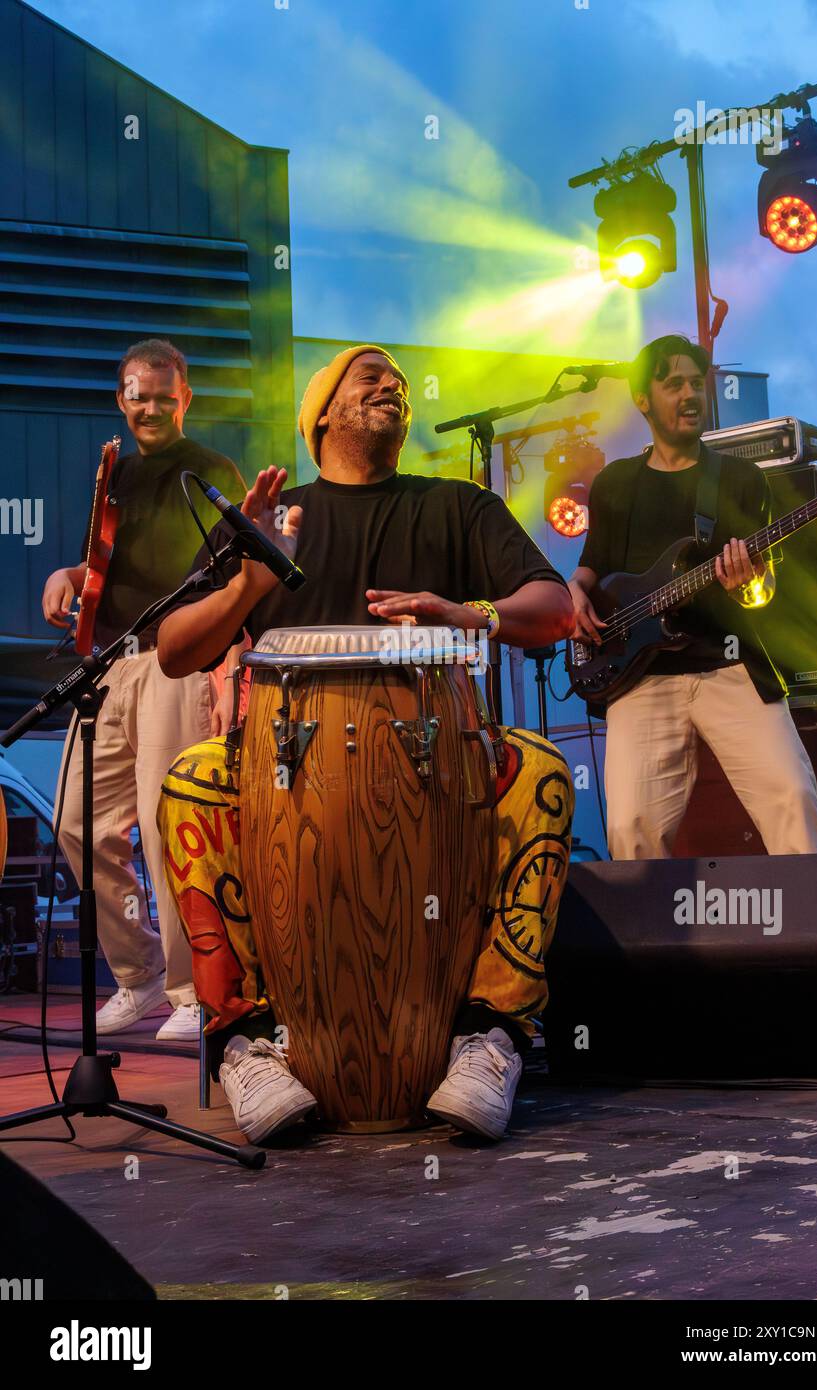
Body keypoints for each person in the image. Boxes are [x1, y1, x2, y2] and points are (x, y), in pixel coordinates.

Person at [156, 343, 576, 1141]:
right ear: (321, 413)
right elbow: (176, 650)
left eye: (399, 380)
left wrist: (468, 613)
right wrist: (249, 579)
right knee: (191, 779)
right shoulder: (272, 524)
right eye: (369, 375)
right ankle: (243, 1043)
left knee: (542, 772)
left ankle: (492, 1035)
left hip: (443, 768)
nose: (393, 385)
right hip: (281, 777)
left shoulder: (457, 506)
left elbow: (553, 609)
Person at [42, 339, 246, 1040]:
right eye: (138, 394)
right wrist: (67, 578)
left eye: (164, 395)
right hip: (111, 663)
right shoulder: (116, 474)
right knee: (76, 822)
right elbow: (106, 566)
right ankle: (140, 976)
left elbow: (236, 582)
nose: (150, 406)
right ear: (121, 399)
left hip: (175, 660)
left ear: (185, 399)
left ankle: (194, 992)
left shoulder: (210, 471)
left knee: (171, 830)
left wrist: (227, 674)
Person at [568, 333, 817, 860]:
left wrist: (749, 581)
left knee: (795, 799)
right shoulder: (616, 483)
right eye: (674, 385)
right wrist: (572, 593)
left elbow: (762, 592)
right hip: (640, 677)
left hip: (730, 667)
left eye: (696, 383)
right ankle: (651, 941)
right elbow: (591, 567)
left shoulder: (738, 478)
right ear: (643, 398)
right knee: (629, 829)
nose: (690, 395)